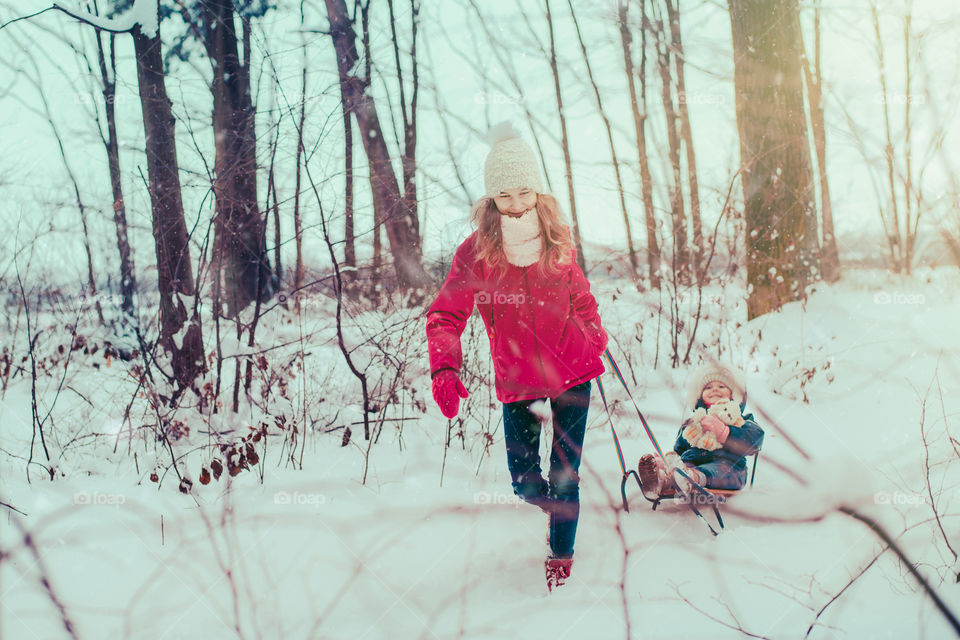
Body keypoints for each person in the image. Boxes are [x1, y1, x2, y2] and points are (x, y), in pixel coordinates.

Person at [426, 123, 608, 591]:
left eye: (525, 191)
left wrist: (593, 334)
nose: (516, 203)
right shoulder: (476, 254)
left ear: (538, 191)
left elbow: (581, 297)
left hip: (573, 372)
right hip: (518, 381)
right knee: (526, 482)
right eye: (504, 196)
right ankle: (549, 509)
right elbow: (446, 314)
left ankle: (561, 556)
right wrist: (444, 366)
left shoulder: (558, 240)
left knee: (565, 473)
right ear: (491, 200)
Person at [638, 363, 764, 498]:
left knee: (720, 470)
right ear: (699, 395)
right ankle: (660, 479)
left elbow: (756, 437)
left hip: (729, 466)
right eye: (708, 387)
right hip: (691, 463)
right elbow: (680, 449)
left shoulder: (740, 420)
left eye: (721, 386)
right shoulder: (693, 423)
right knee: (679, 467)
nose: (714, 389)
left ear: (733, 395)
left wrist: (725, 432)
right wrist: (669, 461)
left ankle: (690, 479)